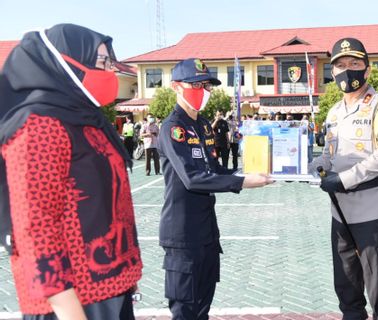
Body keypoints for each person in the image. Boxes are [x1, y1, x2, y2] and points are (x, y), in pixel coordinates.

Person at [0, 24, 142, 320]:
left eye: (109, 63)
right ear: (65, 63)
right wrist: (70, 312)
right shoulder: (40, 125)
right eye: (101, 62)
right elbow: (34, 227)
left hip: (109, 287)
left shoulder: (89, 119)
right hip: (70, 300)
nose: (109, 72)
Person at [158, 58, 273, 320]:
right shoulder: (173, 128)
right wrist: (242, 182)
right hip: (182, 235)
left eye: (206, 86)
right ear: (177, 87)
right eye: (195, 85)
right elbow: (193, 178)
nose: (203, 91)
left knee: (202, 308)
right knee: (186, 311)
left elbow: (214, 169)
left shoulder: (202, 125)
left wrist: (247, 171)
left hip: (206, 231)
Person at [309, 37, 378, 320]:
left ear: (367, 69)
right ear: (333, 72)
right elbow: (328, 155)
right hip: (340, 213)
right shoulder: (335, 112)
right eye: (340, 65)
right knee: (346, 287)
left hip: (375, 212)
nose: (347, 69)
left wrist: (345, 179)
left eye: (354, 63)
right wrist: (305, 167)